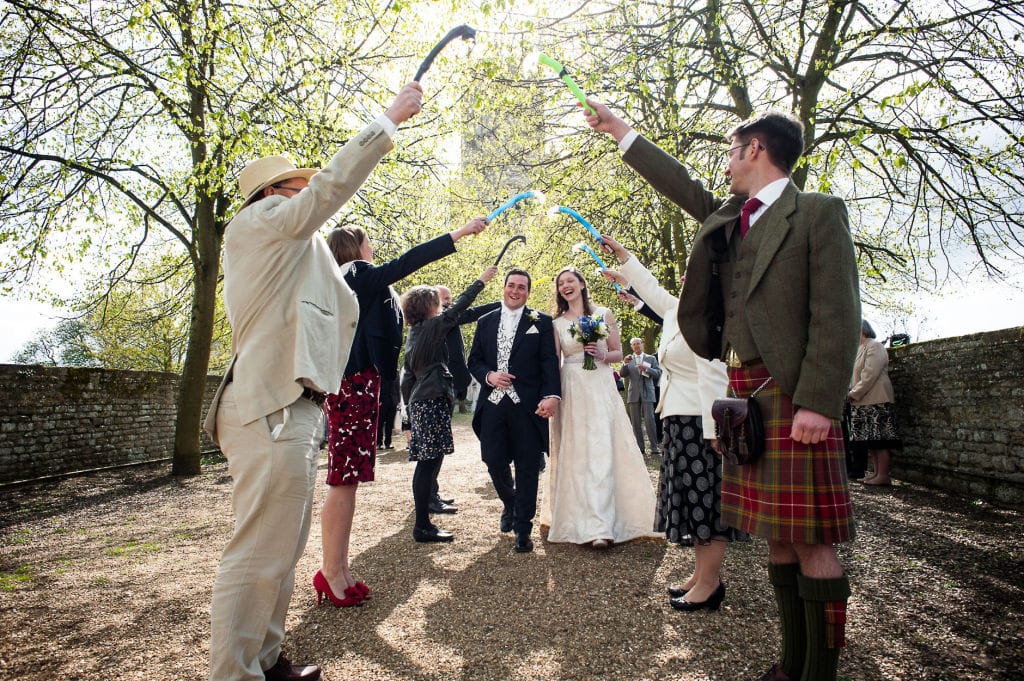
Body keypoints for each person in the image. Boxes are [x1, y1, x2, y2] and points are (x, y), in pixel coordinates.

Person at [585, 101, 860, 681]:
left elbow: (837, 314)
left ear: (755, 149)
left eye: (733, 151)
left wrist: (818, 401)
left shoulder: (816, 212)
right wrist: (621, 133)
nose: (727, 163)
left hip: (792, 396)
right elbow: (682, 185)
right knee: (777, 537)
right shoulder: (734, 218)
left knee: (813, 541)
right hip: (743, 395)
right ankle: (792, 665)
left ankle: (820, 674)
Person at [202, 82, 422, 681]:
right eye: (295, 187)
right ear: (271, 195)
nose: (308, 194)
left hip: (294, 408)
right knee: (257, 552)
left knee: (281, 550)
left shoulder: (291, 247)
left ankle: (266, 661)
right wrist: (387, 123)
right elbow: (326, 193)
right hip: (269, 406)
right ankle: (234, 674)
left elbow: (345, 295)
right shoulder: (260, 222)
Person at [316, 215, 489, 608]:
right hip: (353, 385)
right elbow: (409, 261)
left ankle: (338, 568)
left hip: (357, 385)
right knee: (342, 480)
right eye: (368, 242)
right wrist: (459, 232)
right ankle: (331, 571)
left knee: (348, 480)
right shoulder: (356, 273)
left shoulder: (347, 282)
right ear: (355, 247)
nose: (373, 249)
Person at [598, 237, 743, 612]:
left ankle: (710, 583)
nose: (682, 280)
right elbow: (650, 288)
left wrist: (714, 430)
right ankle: (700, 574)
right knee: (691, 500)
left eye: (692, 275)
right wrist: (624, 257)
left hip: (700, 423)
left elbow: (715, 375)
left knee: (706, 502)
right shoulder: (680, 311)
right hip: (678, 420)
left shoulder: (710, 317)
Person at [539, 266, 656, 547]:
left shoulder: (603, 314)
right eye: (561, 283)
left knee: (602, 447)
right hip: (572, 387)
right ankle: (578, 518)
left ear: (581, 284)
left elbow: (617, 352)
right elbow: (553, 362)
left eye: (570, 281)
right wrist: (550, 394)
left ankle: (602, 526)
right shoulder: (557, 324)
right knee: (578, 451)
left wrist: (602, 354)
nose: (565, 286)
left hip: (600, 384)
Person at [400, 266, 498, 542]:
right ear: (427, 306)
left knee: (430, 460)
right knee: (428, 463)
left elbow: (407, 380)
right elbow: (459, 308)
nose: (443, 306)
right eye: (438, 302)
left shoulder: (417, 332)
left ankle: (424, 520)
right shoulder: (431, 328)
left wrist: (409, 412)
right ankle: (422, 526)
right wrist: (481, 281)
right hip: (430, 401)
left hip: (424, 401)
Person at [467, 268, 561, 553]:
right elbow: (474, 360)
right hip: (493, 405)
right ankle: (511, 503)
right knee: (493, 460)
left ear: (528, 292)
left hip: (528, 407)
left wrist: (552, 395)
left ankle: (523, 528)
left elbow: (549, 361)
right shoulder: (485, 321)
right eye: (512, 285)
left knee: (528, 466)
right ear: (504, 287)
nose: (516, 291)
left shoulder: (541, 322)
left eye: (522, 287)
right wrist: (489, 376)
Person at [428, 286, 501, 513]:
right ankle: (429, 496)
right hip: (439, 387)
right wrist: (500, 304)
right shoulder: (438, 320)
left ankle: (431, 492)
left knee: (438, 443)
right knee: (434, 445)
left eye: (450, 299)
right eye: (445, 299)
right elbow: (471, 312)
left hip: (451, 384)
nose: (449, 303)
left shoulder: (447, 320)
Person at [847, 319, 901, 486]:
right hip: (862, 401)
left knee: (880, 439)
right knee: (870, 440)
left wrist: (853, 393)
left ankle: (883, 475)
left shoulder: (875, 346)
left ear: (862, 329)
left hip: (877, 399)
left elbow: (870, 373)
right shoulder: (858, 349)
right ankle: (876, 474)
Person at [621, 337, 663, 457]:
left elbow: (658, 373)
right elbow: (622, 374)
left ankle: (654, 447)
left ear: (642, 344)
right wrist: (624, 363)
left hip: (648, 392)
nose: (636, 346)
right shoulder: (629, 360)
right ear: (632, 347)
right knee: (635, 422)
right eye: (634, 344)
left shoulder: (651, 358)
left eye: (638, 343)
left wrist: (646, 369)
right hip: (633, 393)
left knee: (650, 420)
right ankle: (640, 447)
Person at [377, 375, 400, 451]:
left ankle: (388, 443)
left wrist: (398, 400)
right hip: (382, 402)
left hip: (393, 401)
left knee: (390, 423)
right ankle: (378, 443)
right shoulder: (380, 373)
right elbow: (377, 387)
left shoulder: (395, 373)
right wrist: (378, 400)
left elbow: (397, 387)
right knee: (380, 423)